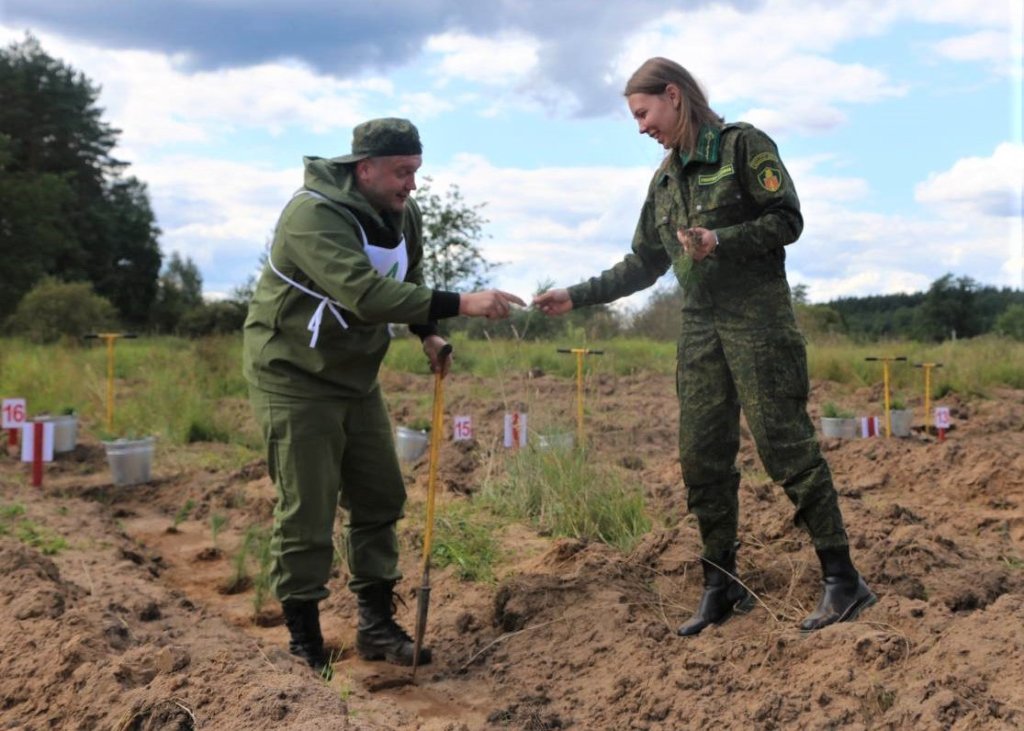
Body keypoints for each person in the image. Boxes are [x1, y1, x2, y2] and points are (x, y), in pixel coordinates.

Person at [533, 58, 875, 636]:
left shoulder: (742, 148)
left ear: (674, 96)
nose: (641, 127)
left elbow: (787, 219)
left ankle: (843, 580)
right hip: (699, 329)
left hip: (758, 320)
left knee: (784, 446)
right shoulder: (665, 181)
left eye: (644, 113)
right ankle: (721, 584)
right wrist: (577, 295)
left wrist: (722, 239)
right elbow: (644, 262)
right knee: (701, 456)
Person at [243, 117, 524, 671]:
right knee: (308, 508)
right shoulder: (312, 214)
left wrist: (430, 333)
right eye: (401, 172)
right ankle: (303, 645)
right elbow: (364, 294)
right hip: (293, 375)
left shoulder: (401, 214)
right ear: (363, 168)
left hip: (354, 377)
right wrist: (463, 303)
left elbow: (410, 280)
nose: (411, 185)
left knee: (379, 495)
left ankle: (375, 626)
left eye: (416, 172)